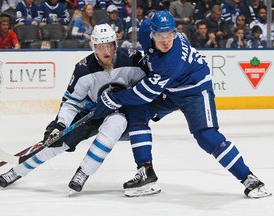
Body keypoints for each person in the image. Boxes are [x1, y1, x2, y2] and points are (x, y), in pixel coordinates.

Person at [92, 10, 271, 198]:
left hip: (195, 91)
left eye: (170, 35)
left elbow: (143, 93)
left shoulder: (172, 60)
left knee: (206, 136)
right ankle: (146, 172)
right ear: (151, 33)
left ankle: (250, 179)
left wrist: (113, 99)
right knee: (137, 110)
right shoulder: (146, 29)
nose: (166, 40)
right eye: (161, 36)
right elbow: (147, 22)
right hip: (171, 89)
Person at [0, 24, 147, 193]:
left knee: (115, 124)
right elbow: (72, 102)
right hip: (92, 112)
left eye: (109, 45)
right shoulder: (83, 69)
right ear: (93, 47)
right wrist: (60, 125)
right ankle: (15, 172)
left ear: (115, 44)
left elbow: (149, 83)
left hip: (120, 112)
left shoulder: (132, 60)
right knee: (55, 142)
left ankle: (83, 172)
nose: (106, 51)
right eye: (100, 46)